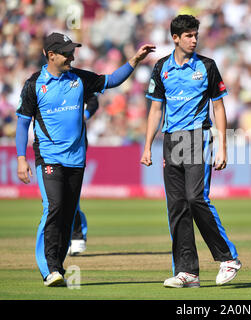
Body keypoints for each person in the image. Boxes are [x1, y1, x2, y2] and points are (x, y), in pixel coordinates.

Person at [15, 32, 155, 287]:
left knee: (68, 214)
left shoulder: (79, 78)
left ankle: (57, 267)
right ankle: (49, 269)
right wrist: (21, 158)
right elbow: (23, 123)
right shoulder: (34, 84)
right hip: (49, 157)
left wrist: (135, 60)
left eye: (73, 51)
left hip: (76, 159)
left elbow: (112, 80)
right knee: (54, 208)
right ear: (51, 55)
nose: (72, 55)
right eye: (67, 52)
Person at [140, 15, 241, 288]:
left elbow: (219, 108)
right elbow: (156, 109)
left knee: (197, 198)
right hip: (171, 140)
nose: (194, 39)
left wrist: (222, 147)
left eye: (195, 35)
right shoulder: (162, 67)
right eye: (188, 35)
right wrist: (148, 145)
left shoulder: (207, 66)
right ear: (175, 38)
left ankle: (228, 257)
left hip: (198, 137)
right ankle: (188, 271)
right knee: (177, 207)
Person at [67, 94, 99, 256]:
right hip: (49, 147)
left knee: (71, 195)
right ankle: (62, 238)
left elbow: (93, 101)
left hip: (75, 146)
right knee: (55, 200)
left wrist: (83, 117)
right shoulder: (41, 81)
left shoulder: (76, 80)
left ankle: (77, 235)